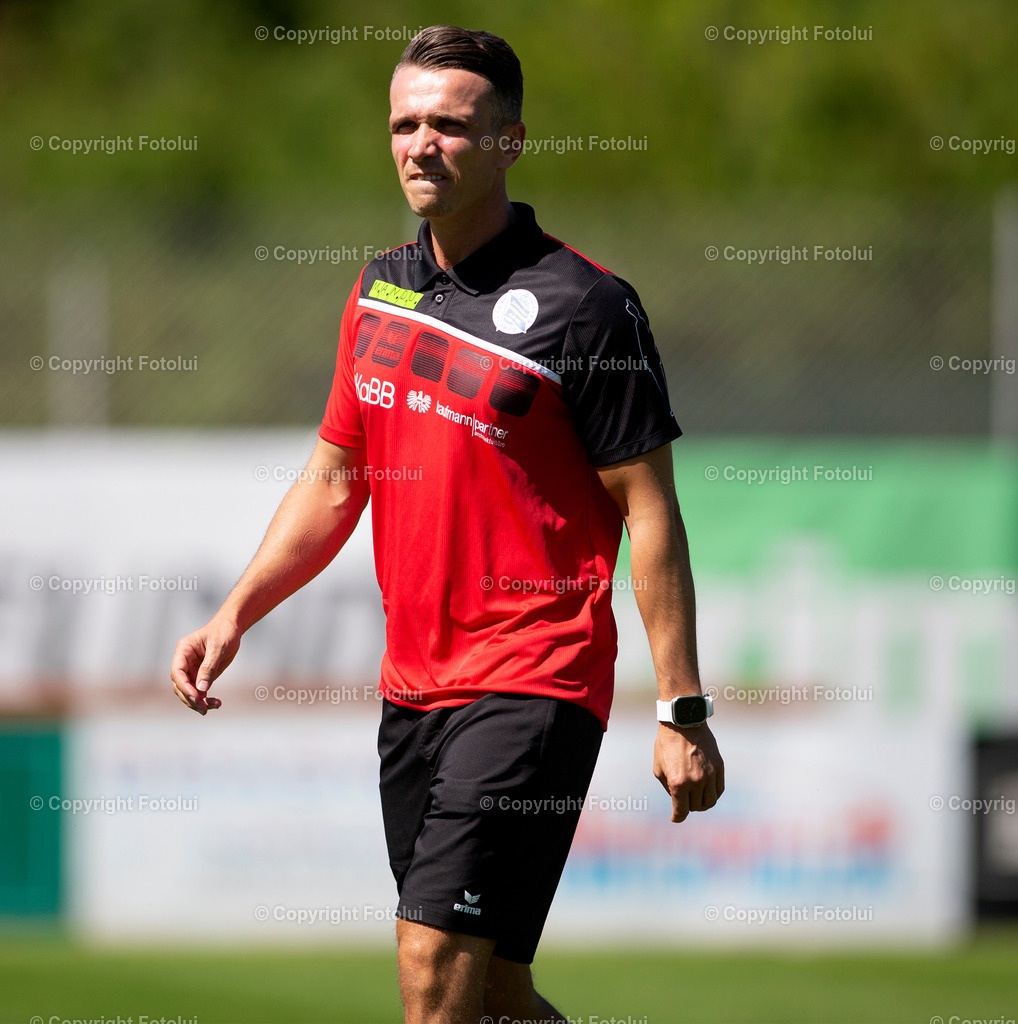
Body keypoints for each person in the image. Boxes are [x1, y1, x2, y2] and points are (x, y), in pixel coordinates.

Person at [170, 24, 723, 1024]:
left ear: (510, 142)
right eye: (404, 124)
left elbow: (648, 508)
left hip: (533, 678)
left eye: (451, 125)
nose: (421, 144)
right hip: (412, 693)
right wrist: (235, 612)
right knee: (495, 995)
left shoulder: (585, 306)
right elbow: (336, 479)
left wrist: (681, 707)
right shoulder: (379, 288)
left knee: (431, 971)